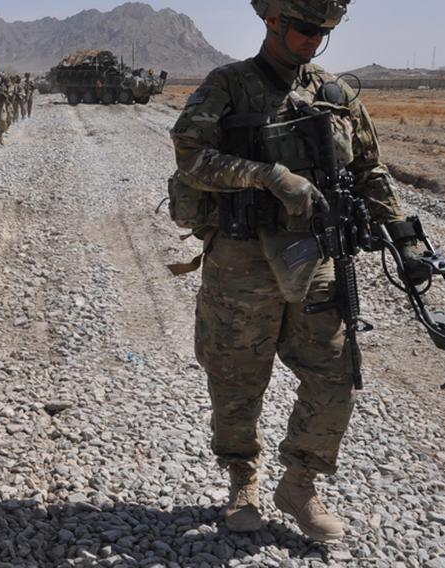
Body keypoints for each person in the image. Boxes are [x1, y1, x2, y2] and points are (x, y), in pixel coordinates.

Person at [170, 0, 427, 542]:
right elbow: (190, 157)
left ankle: (301, 481)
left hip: (316, 261)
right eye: (307, 29)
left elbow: (369, 169)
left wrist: (404, 238)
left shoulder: (334, 95)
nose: (315, 40)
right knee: (237, 377)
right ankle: (243, 478)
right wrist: (268, 177)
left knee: (335, 373)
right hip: (241, 262)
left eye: (324, 32)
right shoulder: (229, 84)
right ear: (273, 22)